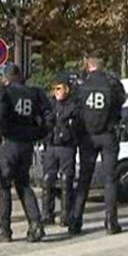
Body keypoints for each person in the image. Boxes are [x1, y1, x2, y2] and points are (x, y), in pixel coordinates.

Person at [0, 63, 51, 243]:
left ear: (6, 78)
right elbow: (48, 117)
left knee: (3, 186)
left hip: (9, 143)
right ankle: (36, 224)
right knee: (23, 184)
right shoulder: (34, 93)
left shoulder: (4, 93)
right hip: (26, 144)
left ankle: (3, 229)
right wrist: (38, 134)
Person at [70, 53, 126, 235]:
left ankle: (75, 221)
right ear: (102, 67)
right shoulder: (112, 84)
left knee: (84, 180)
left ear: (88, 67)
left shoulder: (81, 85)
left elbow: (75, 110)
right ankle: (111, 222)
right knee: (110, 179)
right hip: (108, 135)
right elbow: (121, 102)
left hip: (87, 136)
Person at [41, 74, 79, 227]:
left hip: (66, 146)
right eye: (54, 89)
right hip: (51, 145)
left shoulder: (73, 105)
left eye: (59, 88)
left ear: (67, 89)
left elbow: (76, 124)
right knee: (47, 179)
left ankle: (65, 215)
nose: (55, 91)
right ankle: (47, 214)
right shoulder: (50, 105)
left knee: (66, 180)